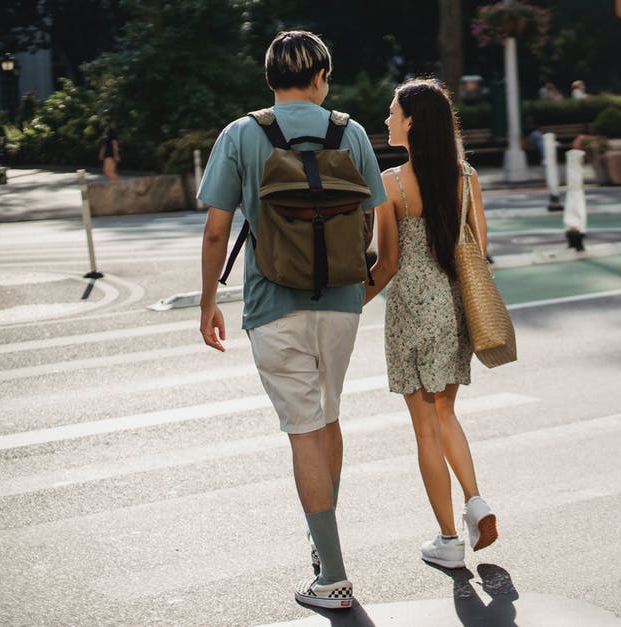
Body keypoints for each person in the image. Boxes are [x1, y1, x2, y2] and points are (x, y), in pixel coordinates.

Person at [197, 30, 386, 609]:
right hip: (343, 305)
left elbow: (215, 230)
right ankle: (320, 534)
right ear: (322, 77)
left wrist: (208, 301)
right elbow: (373, 219)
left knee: (303, 431)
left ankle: (331, 576)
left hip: (273, 304)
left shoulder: (240, 135)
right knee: (327, 419)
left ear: (269, 78)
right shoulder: (349, 132)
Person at [365, 78, 498, 569]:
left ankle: (448, 539)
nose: (387, 119)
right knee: (447, 415)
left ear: (412, 121)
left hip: (411, 314)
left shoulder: (392, 183)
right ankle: (476, 501)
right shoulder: (466, 176)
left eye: (392, 111)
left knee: (424, 429)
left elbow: (387, 263)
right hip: (455, 308)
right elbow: (479, 250)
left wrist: (349, 301)